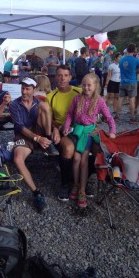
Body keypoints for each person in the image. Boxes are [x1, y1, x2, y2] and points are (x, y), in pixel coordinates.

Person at [63, 73, 116, 208]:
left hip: (88, 133)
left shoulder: (99, 101)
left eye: (89, 85)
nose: (86, 88)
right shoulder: (77, 98)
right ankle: (76, 184)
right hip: (77, 131)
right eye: (84, 85)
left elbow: (109, 118)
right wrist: (67, 126)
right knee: (76, 159)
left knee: (84, 160)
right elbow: (70, 114)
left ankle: (82, 189)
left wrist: (112, 132)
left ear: (95, 86)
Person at [9, 77, 59, 213]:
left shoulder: (39, 102)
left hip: (41, 132)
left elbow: (51, 120)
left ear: (34, 89)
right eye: (22, 88)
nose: (24, 92)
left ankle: (49, 142)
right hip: (24, 135)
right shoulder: (14, 104)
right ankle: (36, 193)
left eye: (27, 89)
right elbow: (20, 127)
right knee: (17, 159)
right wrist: (37, 139)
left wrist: (53, 130)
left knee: (45, 106)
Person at [46, 65, 82, 201]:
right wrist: (55, 128)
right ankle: (65, 183)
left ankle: (82, 182)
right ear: (55, 77)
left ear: (70, 77)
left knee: (95, 147)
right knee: (68, 148)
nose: (62, 78)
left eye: (65, 75)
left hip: (80, 128)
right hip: (62, 130)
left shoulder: (79, 92)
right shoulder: (51, 96)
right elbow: (49, 120)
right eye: (59, 75)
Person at [115, 43, 139, 124]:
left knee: (120, 99)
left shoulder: (121, 59)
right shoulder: (135, 60)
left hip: (122, 82)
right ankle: (132, 118)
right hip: (132, 82)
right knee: (131, 100)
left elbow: (121, 68)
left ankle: (117, 116)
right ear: (134, 50)